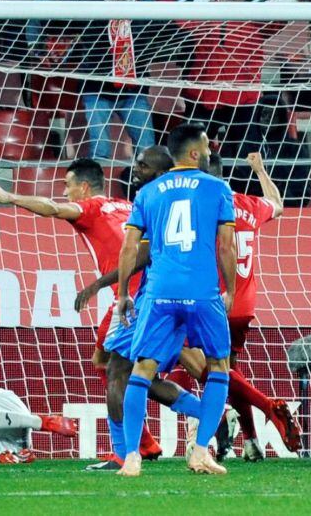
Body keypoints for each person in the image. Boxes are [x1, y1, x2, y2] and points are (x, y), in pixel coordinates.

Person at [0, 157, 166, 461]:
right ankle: (150, 440)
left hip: (132, 298)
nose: (65, 193)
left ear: (83, 186)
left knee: (121, 371)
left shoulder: (90, 208)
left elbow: (53, 209)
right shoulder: (124, 205)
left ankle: (136, 447)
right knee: (111, 362)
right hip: (155, 286)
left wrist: (11, 198)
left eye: (67, 185)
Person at [117, 123, 238, 477]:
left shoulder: (149, 192)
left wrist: (124, 292)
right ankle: (200, 452)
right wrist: (229, 289)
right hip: (202, 292)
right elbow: (226, 245)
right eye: (207, 146)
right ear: (196, 153)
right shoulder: (218, 188)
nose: (211, 151)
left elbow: (128, 247)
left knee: (142, 370)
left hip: (159, 292)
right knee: (218, 366)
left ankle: (132, 459)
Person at [216, 152, 302, 460]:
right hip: (245, 303)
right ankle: (252, 442)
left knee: (195, 365)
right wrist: (261, 170)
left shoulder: (204, 205)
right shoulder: (249, 204)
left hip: (216, 301)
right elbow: (277, 203)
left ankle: (267, 406)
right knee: (229, 370)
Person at [73, 0, 160, 161]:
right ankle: (98, 193)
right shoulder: (89, 4)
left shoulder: (149, 7)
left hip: (133, 89)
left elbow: (163, 39)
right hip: (97, 88)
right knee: (100, 151)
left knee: (148, 152)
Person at [180, 0, 266, 163]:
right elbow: (173, 21)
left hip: (242, 99)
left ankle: (242, 193)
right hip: (202, 95)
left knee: (245, 160)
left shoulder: (262, 15)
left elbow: (284, 15)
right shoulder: (199, 5)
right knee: (189, 155)